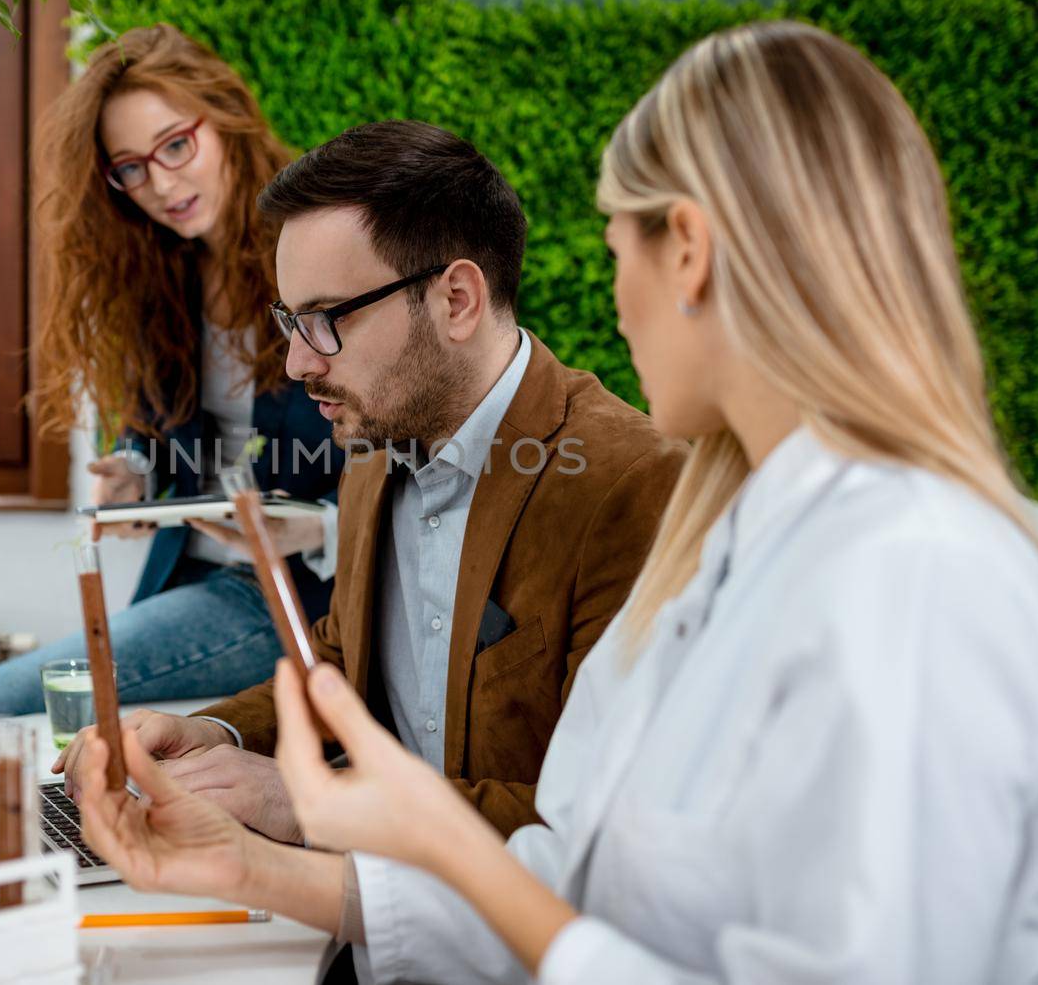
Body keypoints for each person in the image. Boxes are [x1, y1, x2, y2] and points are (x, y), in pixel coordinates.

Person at [65, 21, 1038, 984]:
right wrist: (250, 856)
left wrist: (310, 816)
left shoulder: (909, 577)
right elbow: (570, 879)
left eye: (618, 248)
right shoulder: (747, 538)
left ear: (691, 251)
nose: (613, 304)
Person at [58, 120, 685, 840]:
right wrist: (220, 732)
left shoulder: (629, 483)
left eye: (325, 319)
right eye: (291, 320)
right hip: (364, 911)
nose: (296, 363)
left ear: (456, 299)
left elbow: (610, 827)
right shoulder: (376, 446)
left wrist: (317, 801)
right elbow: (342, 657)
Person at [0, 24, 344, 713]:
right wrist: (136, 468)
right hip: (194, 576)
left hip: (298, 596)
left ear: (226, 120)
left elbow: (417, 461)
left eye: (176, 144)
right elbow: (161, 432)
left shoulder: (326, 254)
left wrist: (319, 527)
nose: (161, 183)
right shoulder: (164, 275)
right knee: (20, 706)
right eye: (130, 168)